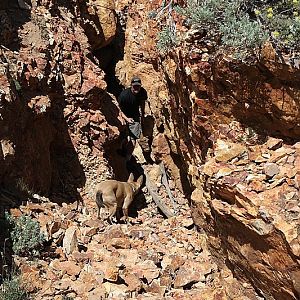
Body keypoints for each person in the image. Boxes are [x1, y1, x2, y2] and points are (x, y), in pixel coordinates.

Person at [117, 76, 148, 161]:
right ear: (131, 85)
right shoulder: (124, 95)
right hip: (123, 115)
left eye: (138, 86)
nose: (136, 88)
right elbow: (118, 109)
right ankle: (120, 151)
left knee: (133, 139)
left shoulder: (142, 92)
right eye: (134, 86)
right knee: (123, 136)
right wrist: (126, 119)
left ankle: (127, 158)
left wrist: (142, 115)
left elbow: (142, 103)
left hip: (135, 116)